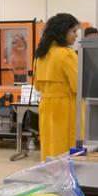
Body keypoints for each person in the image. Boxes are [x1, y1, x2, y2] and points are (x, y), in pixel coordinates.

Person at [33, 13, 80, 160]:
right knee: (66, 152)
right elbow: (78, 86)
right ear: (62, 31)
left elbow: (38, 86)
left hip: (46, 108)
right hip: (66, 109)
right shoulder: (67, 55)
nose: (76, 35)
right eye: (73, 31)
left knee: (49, 149)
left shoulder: (41, 55)